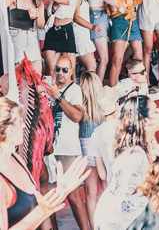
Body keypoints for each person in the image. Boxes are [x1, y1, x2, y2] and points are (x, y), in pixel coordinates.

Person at [0, 96, 90, 230]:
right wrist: (42, 211)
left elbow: (39, 204)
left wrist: (61, 191)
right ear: (5, 130)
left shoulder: (16, 159)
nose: (24, 125)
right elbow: (41, 210)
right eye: (19, 122)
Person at [45, 55, 90, 230]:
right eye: (58, 69)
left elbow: (77, 116)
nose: (61, 73)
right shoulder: (49, 89)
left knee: (75, 198)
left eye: (65, 69)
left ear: (71, 71)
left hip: (68, 151)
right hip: (49, 152)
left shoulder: (74, 90)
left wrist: (57, 97)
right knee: (50, 199)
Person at [94, 94, 152, 229]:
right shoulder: (135, 155)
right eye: (154, 112)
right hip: (118, 221)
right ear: (143, 119)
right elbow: (122, 194)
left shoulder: (135, 146)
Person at [106, 0, 143, 86]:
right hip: (118, 21)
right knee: (117, 59)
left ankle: (140, 85)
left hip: (132, 21)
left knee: (138, 55)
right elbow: (111, 11)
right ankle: (113, 89)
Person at [6, 0, 45, 73]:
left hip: (31, 39)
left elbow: (41, 25)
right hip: (16, 39)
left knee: (37, 73)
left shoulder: (38, 1)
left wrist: (36, 15)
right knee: (18, 77)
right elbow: (2, 7)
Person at [41, 0, 79, 79]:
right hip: (52, 32)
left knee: (69, 71)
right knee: (52, 70)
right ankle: (52, 94)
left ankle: (71, 94)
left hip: (66, 32)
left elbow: (64, 1)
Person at [79, 71, 104, 228]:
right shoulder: (104, 106)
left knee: (91, 193)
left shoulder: (80, 109)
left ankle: (95, 227)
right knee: (107, 186)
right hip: (102, 144)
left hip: (85, 145)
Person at [88, 0, 112, 82]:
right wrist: (119, 5)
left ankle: (97, 85)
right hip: (97, 16)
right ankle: (97, 88)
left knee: (104, 58)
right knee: (104, 58)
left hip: (101, 15)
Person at [90, 86, 120, 185]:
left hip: (114, 187)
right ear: (116, 105)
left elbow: (102, 175)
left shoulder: (96, 133)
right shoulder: (125, 126)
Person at [71, 0, 99, 72]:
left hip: (84, 34)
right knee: (91, 67)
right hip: (80, 35)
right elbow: (76, 17)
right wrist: (92, 26)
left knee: (91, 68)